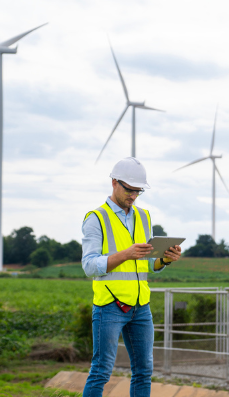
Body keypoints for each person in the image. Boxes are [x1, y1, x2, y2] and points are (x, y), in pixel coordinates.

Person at [81, 157, 182, 397]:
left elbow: (148, 262)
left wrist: (165, 258)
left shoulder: (144, 216)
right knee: (101, 371)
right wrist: (125, 254)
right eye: (129, 190)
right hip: (110, 306)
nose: (134, 196)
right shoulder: (96, 218)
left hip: (141, 307)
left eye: (138, 191)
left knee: (144, 371)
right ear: (114, 183)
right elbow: (89, 266)